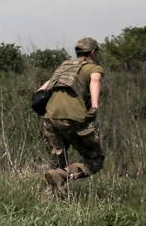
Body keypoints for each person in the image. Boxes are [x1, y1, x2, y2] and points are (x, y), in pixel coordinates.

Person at [36, 37, 105, 197]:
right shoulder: (93, 68)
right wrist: (94, 105)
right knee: (96, 159)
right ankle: (64, 175)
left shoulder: (64, 67)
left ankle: (51, 197)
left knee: (57, 159)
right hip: (73, 117)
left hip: (50, 116)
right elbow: (95, 82)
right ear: (93, 52)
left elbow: (41, 90)